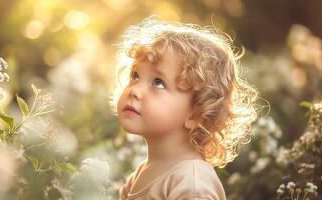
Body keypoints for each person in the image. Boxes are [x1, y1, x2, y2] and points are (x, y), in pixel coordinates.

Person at [110, 16, 258, 200]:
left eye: (158, 82)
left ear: (197, 112)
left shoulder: (192, 184)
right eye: (135, 75)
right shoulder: (144, 171)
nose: (135, 91)